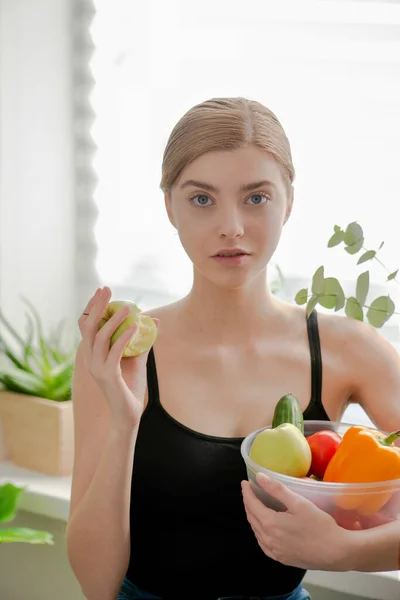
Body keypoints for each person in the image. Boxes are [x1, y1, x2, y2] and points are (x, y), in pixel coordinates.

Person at [66, 97, 400, 600]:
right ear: (169, 207)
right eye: (202, 199)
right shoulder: (120, 354)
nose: (232, 227)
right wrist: (123, 422)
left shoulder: (348, 349)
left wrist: (345, 553)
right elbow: (96, 584)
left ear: (289, 201)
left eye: (256, 198)